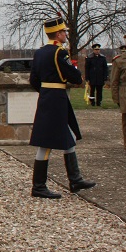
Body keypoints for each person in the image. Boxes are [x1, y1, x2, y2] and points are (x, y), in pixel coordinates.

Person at [29, 18, 95, 198]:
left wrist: (45, 91)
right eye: (64, 32)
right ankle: (39, 186)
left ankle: (75, 179)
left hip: (47, 97)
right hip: (56, 99)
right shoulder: (59, 52)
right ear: (58, 34)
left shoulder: (40, 53)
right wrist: (78, 76)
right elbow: (73, 76)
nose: (66, 34)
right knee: (46, 144)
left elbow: (33, 79)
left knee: (69, 136)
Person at [84, 43, 109, 108]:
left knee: (99, 90)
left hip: (100, 77)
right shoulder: (89, 58)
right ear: (93, 50)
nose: (97, 51)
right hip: (92, 77)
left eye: (98, 50)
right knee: (92, 90)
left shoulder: (102, 58)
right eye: (96, 50)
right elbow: (87, 68)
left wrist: (105, 76)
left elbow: (105, 68)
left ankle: (99, 102)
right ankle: (92, 102)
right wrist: (87, 77)